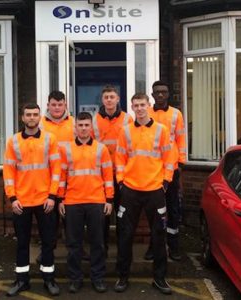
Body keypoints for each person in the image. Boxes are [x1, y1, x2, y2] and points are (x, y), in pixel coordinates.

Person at [114, 93, 175, 295]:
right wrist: (121, 182)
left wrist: (166, 182)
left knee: (159, 236)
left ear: (149, 106)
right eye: (135, 105)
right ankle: (123, 277)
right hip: (130, 190)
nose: (139, 108)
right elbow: (120, 158)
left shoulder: (162, 130)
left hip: (155, 190)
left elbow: (169, 157)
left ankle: (159, 279)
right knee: (125, 235)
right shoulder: (125, 131)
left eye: (142, 104)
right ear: (131, 108)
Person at [3, 103, 61, 297]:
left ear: (39, 117)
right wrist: (12, 198)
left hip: (45, 200)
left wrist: (53, 196)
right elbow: (8, 172)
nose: (31, 118)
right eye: (28, 115)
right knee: (22, 243)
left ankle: (49, 279)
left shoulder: (50, 139)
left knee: (48, 241)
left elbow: (56, 169)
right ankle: (22, 280)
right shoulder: (13, 142)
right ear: (22, 117)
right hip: (22, 201)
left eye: (35, 115)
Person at [58, 112, 114, 294]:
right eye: (80, 125)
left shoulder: (101, 149)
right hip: (73, 202)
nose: (83, 128)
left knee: (97, 243)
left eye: (86, 125)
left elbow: (108, 176)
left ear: (91, 127)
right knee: (74, 244)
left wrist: (109, 199)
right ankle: (75, 279)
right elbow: (61, 177)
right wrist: (60, 199)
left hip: (96, 201)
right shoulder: (66, 150)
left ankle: (98, 278)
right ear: (75, 128)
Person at [147, 80, 186, 262]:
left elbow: (181, 138)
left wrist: (181, 163)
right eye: (157, 92)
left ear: (168, 94)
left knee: (172, 209)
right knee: (154, 210)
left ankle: (174, 246)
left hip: (172, 169)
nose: (160, 95)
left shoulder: (176, 114)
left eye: (164, 92)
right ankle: (153, 246)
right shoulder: (145, 113)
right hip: (152, 169)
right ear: (153, 95)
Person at [91, 85, 133, 256]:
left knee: (123, 214)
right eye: (106, 97)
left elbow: (132, 146)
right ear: (102, 100)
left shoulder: (127, 119)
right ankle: (103, 248)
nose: (109, 100)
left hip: (123, 175)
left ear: (118, 99)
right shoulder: (94, 120)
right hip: (101, 175)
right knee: (103, 216)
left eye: (112, 96)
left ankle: (123, 250)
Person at [38, 90, 75, 260]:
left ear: (65, 105)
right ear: (48, 105)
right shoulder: (40, 125)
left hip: (70, 177)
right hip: (48, 178)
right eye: (54, 104)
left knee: (71, 217)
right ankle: (47, 250)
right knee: (49, 218)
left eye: (60, 104)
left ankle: (76, 250)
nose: (57, 108)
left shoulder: (75, 124)